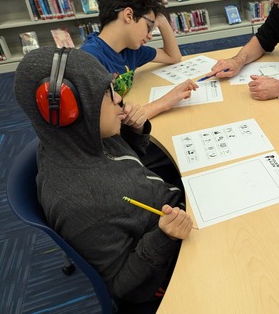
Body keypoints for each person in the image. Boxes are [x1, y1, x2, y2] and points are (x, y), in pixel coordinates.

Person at [13, 47, 194, 310]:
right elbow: (123, 286)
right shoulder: (81, 203)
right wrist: (164, 237)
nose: (119, 97)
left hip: (169, 213)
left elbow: (123, 166)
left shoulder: (78, 138)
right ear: (68, 110)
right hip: (167, 257)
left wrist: (134, 131)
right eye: (107, 93)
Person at [81, 0, 196, 119]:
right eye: (148, 26)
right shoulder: (88, 60)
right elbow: (108, 123)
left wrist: (162, 21)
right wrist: (164, 103)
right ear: (129, 15)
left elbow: (173, 56)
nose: (150, 35)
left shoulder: (130, 50)